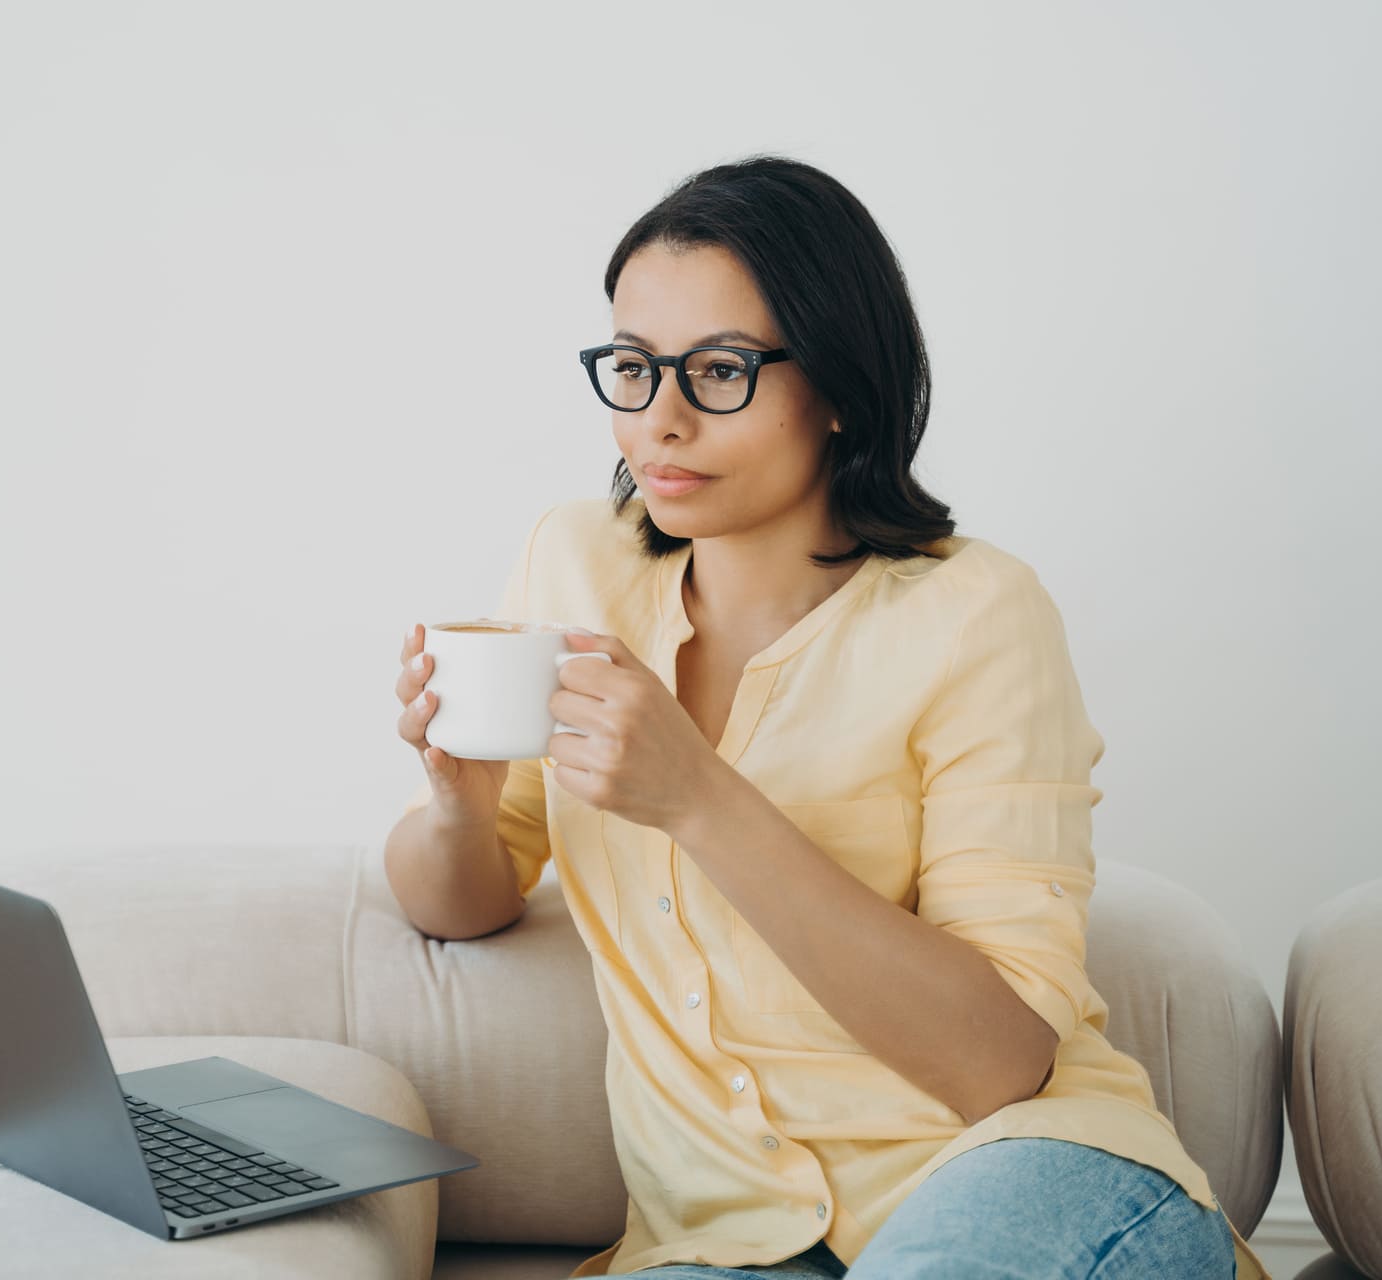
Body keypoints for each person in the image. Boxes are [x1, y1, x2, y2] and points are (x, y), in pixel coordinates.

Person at [384, 155, 1265, 1279]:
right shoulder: (575, 565)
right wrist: (457, 808)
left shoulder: (975, 613)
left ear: (841, 382)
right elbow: (460, 903)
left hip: (1013, 1175)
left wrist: (701, 799)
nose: (660, 420)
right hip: (719, 1241)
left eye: (719, 369)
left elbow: (1001, 1062)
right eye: (633, 367)